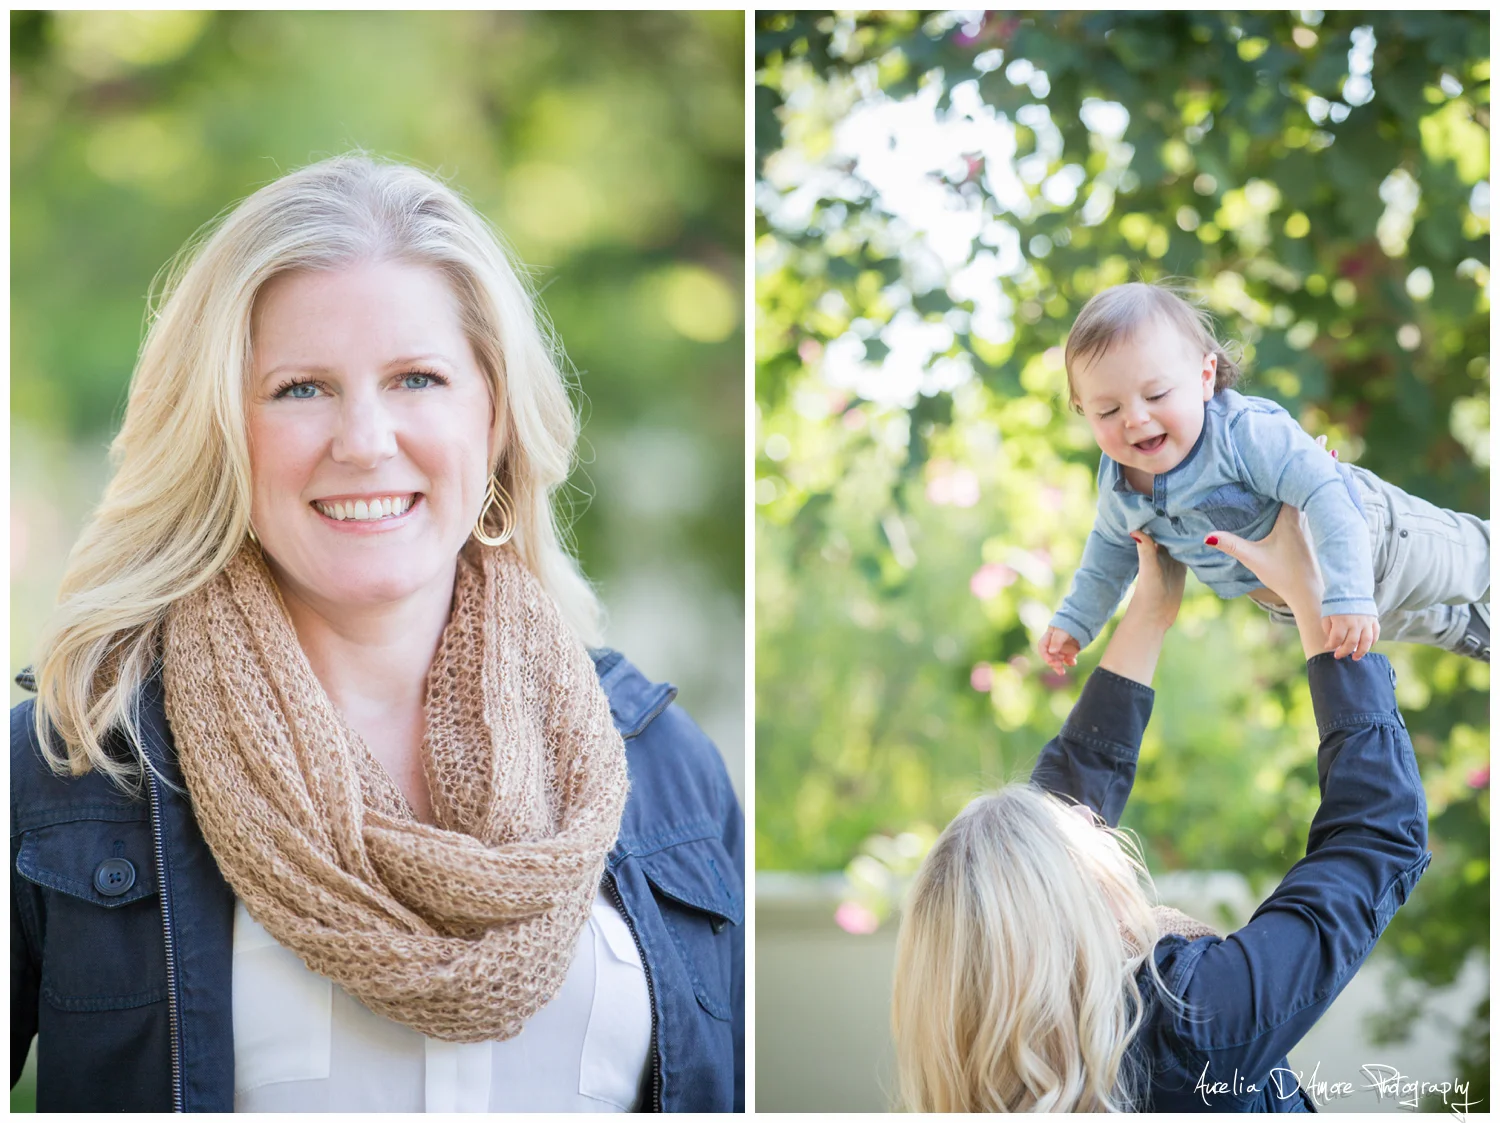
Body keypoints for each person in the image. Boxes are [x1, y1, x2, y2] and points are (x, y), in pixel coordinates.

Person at [11, 155, 743, 1113]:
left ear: (495, 418)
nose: (363, 439)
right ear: (221, 431)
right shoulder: (76, 776)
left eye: (416, 378)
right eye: (301, 388)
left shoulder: (666, 773)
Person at [892, 504, 1431, 1111]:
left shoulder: (977, 1070)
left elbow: (1052, 838)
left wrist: (1151, 607)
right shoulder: (1187, 1022)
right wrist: (1316, 595)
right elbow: (1375, 835)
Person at [1038, 281, 1489, 673]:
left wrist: (1350, 591)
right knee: (1446, 624)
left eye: (1156, 394)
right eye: (1107, 410)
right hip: (1306, 601)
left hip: (1380, 543)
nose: (1135, 419)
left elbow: (1326, 489)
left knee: (1478, 563)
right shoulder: (1118, 483)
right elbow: (1108, 553)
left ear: (1204, 377)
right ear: (1084, 411)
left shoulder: (1240, 433)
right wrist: (1077, 621)